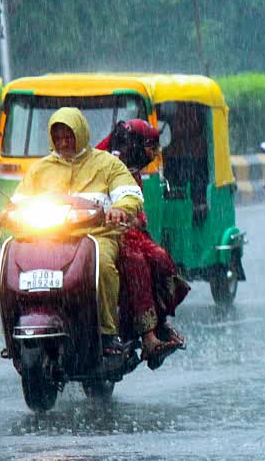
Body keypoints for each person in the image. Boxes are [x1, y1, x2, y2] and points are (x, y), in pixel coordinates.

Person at [12, 108, 143, 354]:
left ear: (81, 134)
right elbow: (19, 201)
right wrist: (7, 212)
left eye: (69, 136)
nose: (63, 142)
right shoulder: (40, 168)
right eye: (58, 137)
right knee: (14, 264)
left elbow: (129, 192)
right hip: (46, 238)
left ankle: (107, 333)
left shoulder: (106, 164)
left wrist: (120, 209)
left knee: (102, 266)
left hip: (96, 235)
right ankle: (14, 331)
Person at [96, 120, 189, 367]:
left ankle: (159, 322)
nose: (154, 153)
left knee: (160, 257)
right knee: (135, 263)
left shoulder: (131, 166)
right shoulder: (99, 163)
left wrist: (132, 219)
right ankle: (148, 338)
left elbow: (138, 212)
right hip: (99, 232)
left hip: (126, 230)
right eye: (150, 146)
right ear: (135, 143)